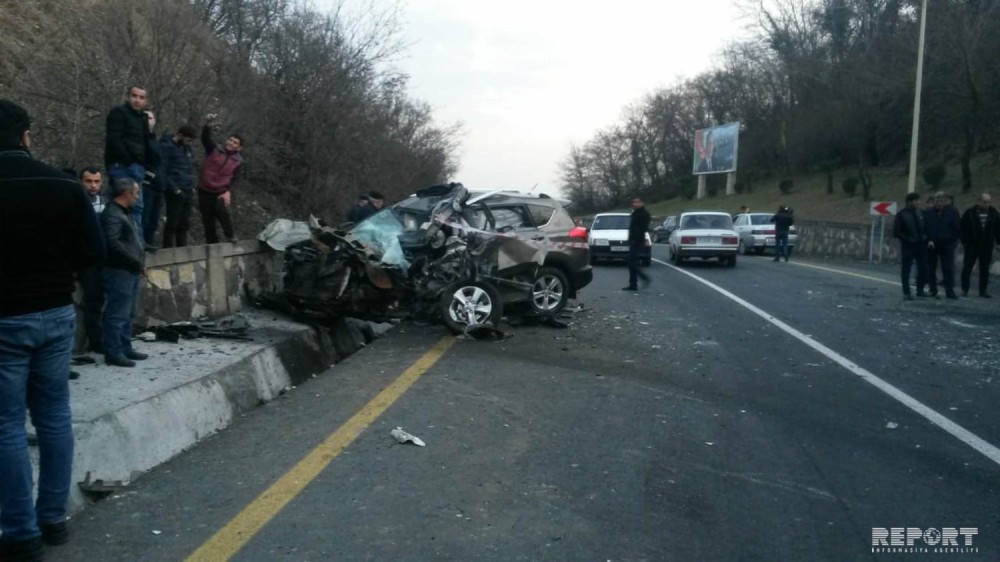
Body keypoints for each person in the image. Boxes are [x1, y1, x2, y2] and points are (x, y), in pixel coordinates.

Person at [0, 99, 104, 561]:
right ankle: (53, 519)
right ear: (25, 136)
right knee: (55, 416)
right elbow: (93, 252)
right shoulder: (63, 186)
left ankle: (20, 533)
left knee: (5, 425)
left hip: (4, 320)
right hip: (56, 315)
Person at [101, 178, 149, 367]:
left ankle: (125, 346)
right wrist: (135, 261)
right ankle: (113, 351)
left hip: (129, 270)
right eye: (136, 193)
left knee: (128, 312)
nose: (137, 197)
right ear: (126, 193)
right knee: (117, 313)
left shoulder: (124, 213)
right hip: (119, 271)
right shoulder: (112, 214)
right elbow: (113, 244)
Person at [104, 86, 159, 248]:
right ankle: (119, 242)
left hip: (137, 167)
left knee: (137, 206)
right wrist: (128, 160)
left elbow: (147, 143)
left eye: (141, 97)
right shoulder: (118, 113)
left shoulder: (142, 118)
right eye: (134, 96)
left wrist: (150, 129)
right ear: (128, 96)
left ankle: (138, 242)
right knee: (119, 203)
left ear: (145, 100)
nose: (137, 100)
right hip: (121, 165)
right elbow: (114, 139)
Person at [197, 113, 243, 244]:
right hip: (205, 188)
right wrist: (207, 125)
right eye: (230, 140)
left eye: (235, 143)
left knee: (221, 210)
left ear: (239, 148)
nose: (231, 143)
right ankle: (212, 244)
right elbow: (205, 138)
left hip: (220, 190)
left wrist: (228, 191)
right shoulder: (215, 150)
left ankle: (231, 234)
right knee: (207, 220)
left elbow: (235, 179)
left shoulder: (237, 162)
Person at [78, 167, 107, 354]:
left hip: (105, 260)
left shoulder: (105, 203)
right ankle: (96, 342)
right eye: (89, 181)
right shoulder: (77, 202)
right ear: (82, 182)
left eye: (96, 181)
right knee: (93, 303)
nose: (93, 185)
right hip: (87, 261)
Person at [159, 125, 198, 248]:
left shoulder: (186, 149)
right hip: (175, 189)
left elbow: (189, 168)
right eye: (188, 140)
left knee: (184, 223)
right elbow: (163, 170)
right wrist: (175, 189)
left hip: (187, 188)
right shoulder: (166, 147)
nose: (189, 143)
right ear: (180, 135)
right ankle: (168, 249)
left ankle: (183, 248)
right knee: (172, 222)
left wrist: (191, 186)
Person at [959, 193, 1000, 298]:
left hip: (986, 245)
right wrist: (965, 242)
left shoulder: (993, 213)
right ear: (979, 201)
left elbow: (998, 229)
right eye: (985, 202)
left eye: (988, 202)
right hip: (972, 245)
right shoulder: (970, 213)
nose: (987, 204)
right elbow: (962, 228)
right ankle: (965, 289)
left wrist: (998, 243)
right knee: (967, 268)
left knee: (984, 269)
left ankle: (983, 291)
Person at [923, 192, 960, 299]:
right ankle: (932, 289)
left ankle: (949, 290)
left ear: (945, 201)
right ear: (933, 201)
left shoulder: (952, 212)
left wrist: (953, 241)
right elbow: (924, 228)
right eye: (937, 200)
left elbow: (957, 228)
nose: (939, 203)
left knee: (948, 267)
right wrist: (928, 240)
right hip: (932, 244)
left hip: (947, 244)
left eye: (942, 200)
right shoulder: (928, 213)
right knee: (931, 267)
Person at [893, 192, 929, 300]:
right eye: (916, 201)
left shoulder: (920, 213)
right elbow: (897, 232)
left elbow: (925, 227)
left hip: (921, 245)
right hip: (908, 245)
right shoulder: (901, 215)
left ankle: (920, 289)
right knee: (906, 269)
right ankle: (906, 292)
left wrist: (925, 237)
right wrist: (908, 239)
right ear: (909, 202)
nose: (918, 203)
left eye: (918, 200)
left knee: (923, 268)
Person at [141, 110, 164, 249]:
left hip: (159, 186)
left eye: (150, 118)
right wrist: (148, 175)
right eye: (145, 118)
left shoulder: (155, 139)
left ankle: (149, 244)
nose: (147, 120)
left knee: (154, 221)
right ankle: (142, 245)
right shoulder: (138, 138)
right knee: (144, 217)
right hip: (146, 184)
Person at [622, 197, 650, 291]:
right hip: (633, 240)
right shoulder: (635, 212)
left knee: (631, 261)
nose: (635, 204)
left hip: (638, 240)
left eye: (637, 202)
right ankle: (633, 284)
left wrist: (636, 237)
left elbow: (644, 228)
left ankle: (643, 278)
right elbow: (632, 227)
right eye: (634, 202)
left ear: (642, 202)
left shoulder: (644, 214)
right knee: (630, 261)